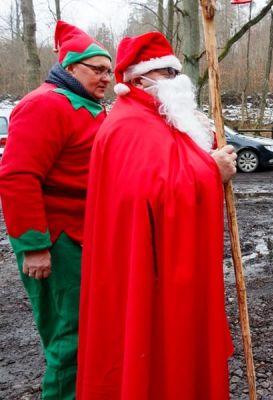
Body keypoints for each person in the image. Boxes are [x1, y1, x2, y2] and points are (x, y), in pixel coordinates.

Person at [76, 32, 236, 399]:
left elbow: (173, 165)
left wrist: (206, 158)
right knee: (153, 359)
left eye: (176, 72)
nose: (177, 80)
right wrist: (211, 172)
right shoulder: (128, 126)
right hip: (147, 276)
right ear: (138, 79)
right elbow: (148, 197)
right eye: (167, 73)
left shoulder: (159, 119)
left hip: (167, 272)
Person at [0, 21, 112, 399]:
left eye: (109, 71)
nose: (107, 77)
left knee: (89, 333)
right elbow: (18, 177)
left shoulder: (91, 108)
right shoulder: (45, 105)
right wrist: (34, 245)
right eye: (98, 69)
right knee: (69, 338)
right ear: (71, 67)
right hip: (57, 240)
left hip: (83, 238)